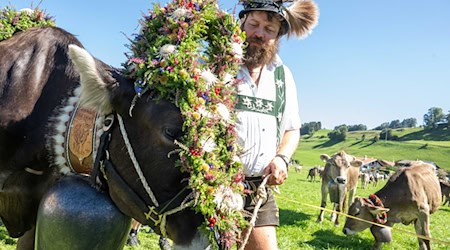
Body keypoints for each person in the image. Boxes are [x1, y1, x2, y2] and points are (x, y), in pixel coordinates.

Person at [235, 0, 319, 249]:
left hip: (257, 189)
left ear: (278, 36)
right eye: (254, 24)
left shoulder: (283, 76)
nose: (259, 33)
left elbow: (292, 129)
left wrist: (282, 158)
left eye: (269, 29)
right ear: (242, 23)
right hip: (210, 185)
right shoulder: (218, 66)